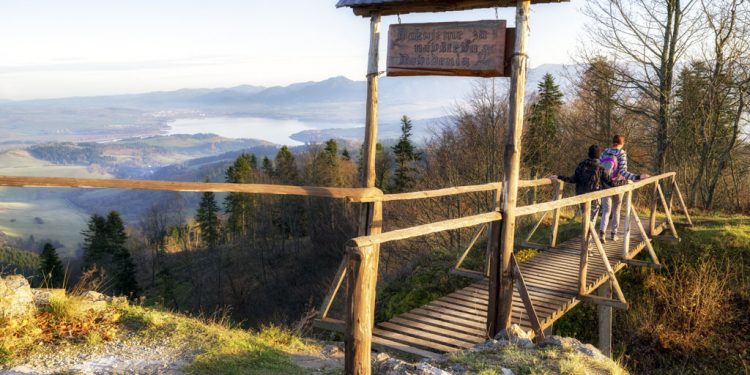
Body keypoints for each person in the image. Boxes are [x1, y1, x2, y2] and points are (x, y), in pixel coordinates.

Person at [598, 135, 650, 242]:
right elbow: (624, 172)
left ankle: (602, 234)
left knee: (606, 211)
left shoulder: (604, 152)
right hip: (617, 185)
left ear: (613, 142)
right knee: (616, 210)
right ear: (622, 143)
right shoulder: (621, 153)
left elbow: (599, 169)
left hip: (604, 185)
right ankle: (613, 234)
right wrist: (638, 177)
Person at [550, 144, 614, 221]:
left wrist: (559, 177)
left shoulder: (582, 165)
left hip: (581, 195)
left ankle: (586, 232)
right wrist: (624, 182)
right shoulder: (600, 168)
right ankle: (589, 232)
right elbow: (610, 182)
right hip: (595, 196)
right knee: (591, 220)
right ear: (599, 155)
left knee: (585, 219)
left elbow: (573, 179)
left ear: (588, 154)